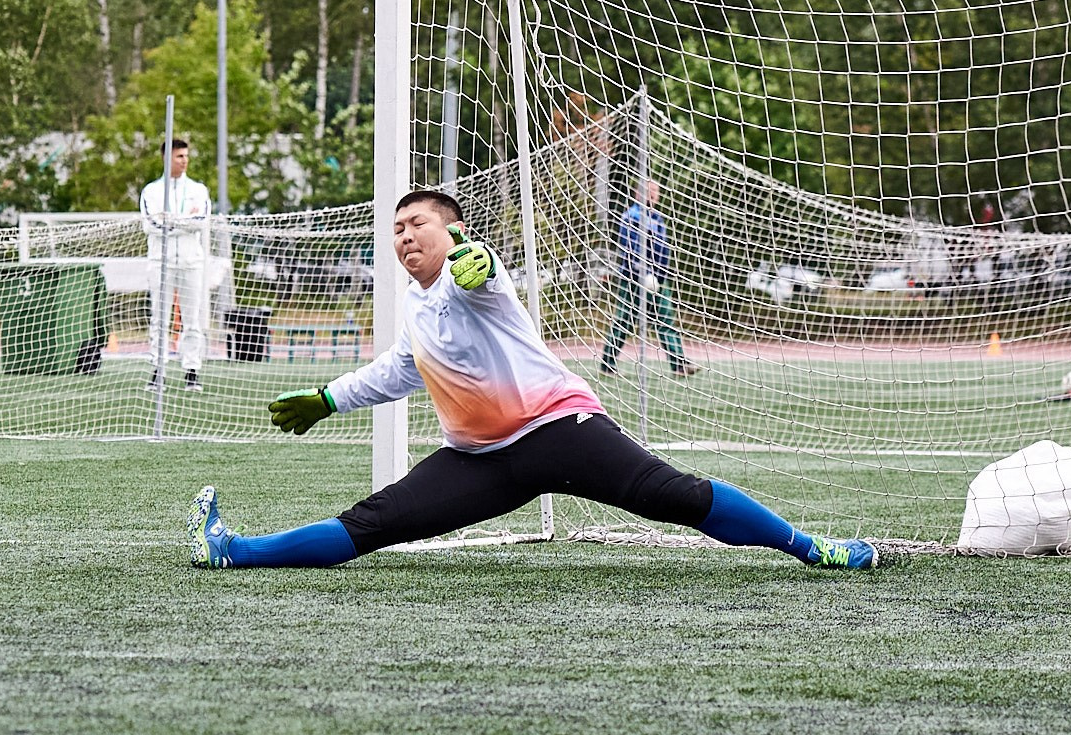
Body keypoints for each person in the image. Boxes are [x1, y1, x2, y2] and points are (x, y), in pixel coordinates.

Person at [187, 189, 884, 572]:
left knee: (678, 496)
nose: (404, 235)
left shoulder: (474, 275)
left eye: (418, 224)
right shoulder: (416, 302)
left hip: (561, 431)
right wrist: (328, 397)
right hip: (480, 461)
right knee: (372, 524)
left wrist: (479, 260)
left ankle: (810, 547)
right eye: (397, 228)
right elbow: (403, 366)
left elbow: (486, 271)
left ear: (451, 230)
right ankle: (234, 550)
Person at [598, 179, 697, 378]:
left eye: (656, 191)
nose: (653, 194)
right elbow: (629, 249)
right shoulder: (631, 217)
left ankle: (679, 365)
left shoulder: (658, 219)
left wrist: (660, 274)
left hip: (659, 280)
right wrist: (642, 273)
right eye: (649, 190)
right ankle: (607, 364)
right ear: (638, 194)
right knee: (624, 320)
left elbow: (663, 251)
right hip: (634, 279)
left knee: (666, 321)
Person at [139, 137, 211, 392]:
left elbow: (200, 221)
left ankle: (192, 370)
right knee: (160, 318)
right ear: (167, 158)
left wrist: (173, 221)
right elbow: (152, 224)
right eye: (179, 157)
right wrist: (181, 222)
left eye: (186, 156)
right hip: (161, 262)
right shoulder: (151, 191)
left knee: (192, 319)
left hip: (192, 262)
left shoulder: (198, 190)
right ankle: (159, 371)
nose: (184, 161)